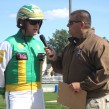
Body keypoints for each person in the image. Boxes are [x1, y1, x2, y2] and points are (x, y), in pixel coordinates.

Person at [45, 10, 109, 109]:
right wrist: (54, 58)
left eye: (70, 23)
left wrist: (81, 85)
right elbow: (62, 69)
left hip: (93, 100)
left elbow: (104, 73)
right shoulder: (69, 47)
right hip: (74, 100)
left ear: (82, 24)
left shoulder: (99, 44)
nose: (67, 25)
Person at [0, 4, 46, 109]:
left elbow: (42, 68)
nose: (37, 25)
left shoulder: (40, 45)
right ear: (22, 22)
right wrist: (1, 87)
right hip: (17, 94)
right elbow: (0, 68)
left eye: (39, 22)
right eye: (33, 22)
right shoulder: (8, 43)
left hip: (37, 93)